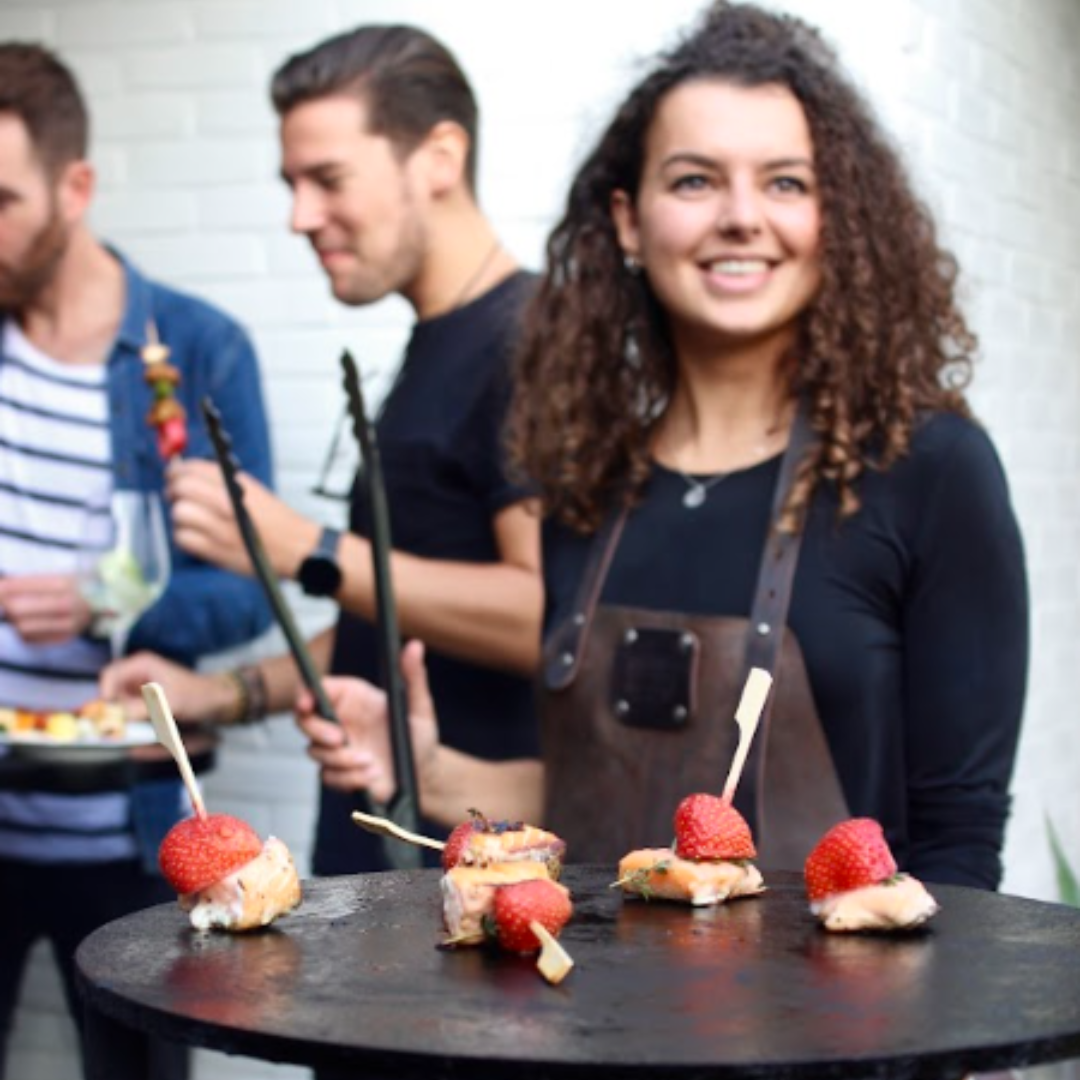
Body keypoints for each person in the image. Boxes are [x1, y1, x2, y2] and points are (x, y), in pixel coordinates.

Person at [300, 1, 1028, 892]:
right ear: (628, 221)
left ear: (835, 219)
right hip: (602, 1025)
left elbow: (958, 847)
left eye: (786, 183)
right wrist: (421, 768)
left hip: (841, 1025)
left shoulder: (931, 472)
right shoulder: (587, 489)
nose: (740, 217)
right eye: (694, 181)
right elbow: (581, 808)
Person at [102, 25, 543, 878]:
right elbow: (394, 615)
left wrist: (303, 548)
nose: (301, 216)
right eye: (292, 184)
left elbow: (550, 621)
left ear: (439, 156)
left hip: (473, 876)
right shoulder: (433, 345)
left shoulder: (531, 343)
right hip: (383, 860)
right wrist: (227, 694)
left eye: (328, 179)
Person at [0, 44, 273, 1080]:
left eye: (1, 199)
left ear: (77, 188)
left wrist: (97, 603)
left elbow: (248, 590)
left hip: (133, 836)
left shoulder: (201, 350)